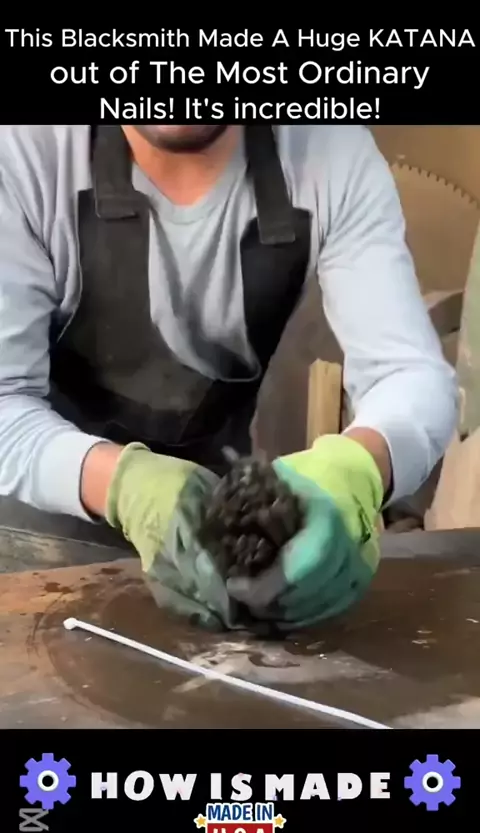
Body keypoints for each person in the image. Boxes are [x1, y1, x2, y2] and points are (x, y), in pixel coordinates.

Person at [0, 124, 457, 631]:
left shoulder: (329, 151)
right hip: (37, 531)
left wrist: (357, 468)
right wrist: (125, 485)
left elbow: (410, 374)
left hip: (209, 525)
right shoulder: (23, 150)